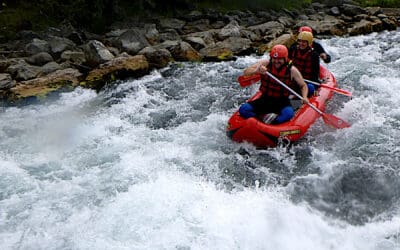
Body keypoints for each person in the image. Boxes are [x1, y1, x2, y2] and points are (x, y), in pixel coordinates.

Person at [239, 45, 309, 124]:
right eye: (274, 58)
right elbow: (246, 72)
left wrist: (305, 97)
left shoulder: (292, 70)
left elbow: (303, 86)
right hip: (265, 99)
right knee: (243, 109)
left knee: (288, 114)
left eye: (279, 59)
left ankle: (273, 121)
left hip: (282, 101)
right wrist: (256, 70)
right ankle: (261, 120)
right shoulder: (265, 64)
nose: (276, 61)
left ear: (285, 58)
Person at [289, 31, 319, 95]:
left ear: (309, 43)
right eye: (300, 41)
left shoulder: (314, 55)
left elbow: (315, 74)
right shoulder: (292, 49)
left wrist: (316, 88)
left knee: (310, 87)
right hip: (293, 79)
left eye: (304, 42)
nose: (301, 43)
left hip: (306, 81)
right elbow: (287, 64)